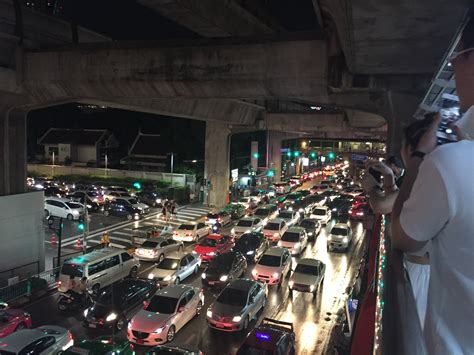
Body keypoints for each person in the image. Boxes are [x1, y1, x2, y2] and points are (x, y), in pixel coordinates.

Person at [390, 17, 474, 354]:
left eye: (458, 56)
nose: (452, 68)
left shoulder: (451, 164)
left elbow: (402, 238)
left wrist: (417, 162)